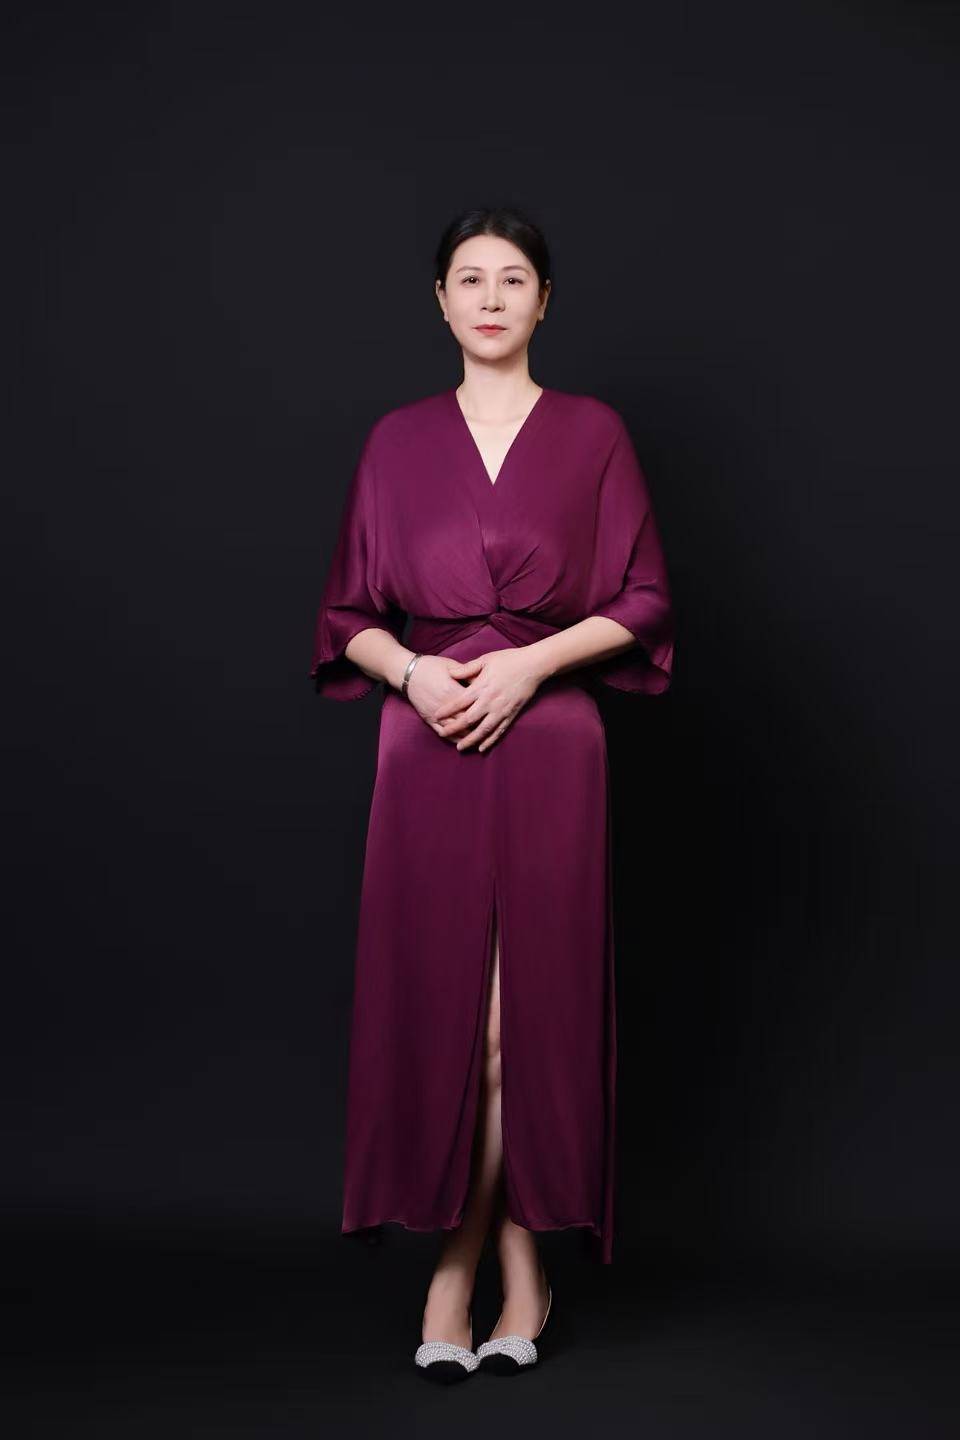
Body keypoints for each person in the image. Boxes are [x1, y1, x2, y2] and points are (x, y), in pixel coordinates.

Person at [309, 207, 675, 1379]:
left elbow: (646, 599)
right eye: (469, 279)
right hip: (425, 743)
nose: (491, 298)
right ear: (440, 300)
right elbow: (346, 616)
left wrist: (531, 665)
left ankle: (487, 1262)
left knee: (525, 1025)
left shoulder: (594, 433)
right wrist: (415, 673)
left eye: (513, 279)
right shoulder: (396, 441)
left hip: (554, 739)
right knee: (447, 1019)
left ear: (544, 300)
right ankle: (488, 1263)